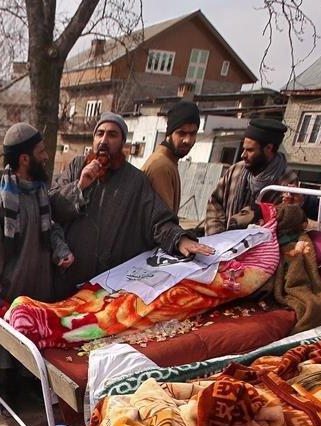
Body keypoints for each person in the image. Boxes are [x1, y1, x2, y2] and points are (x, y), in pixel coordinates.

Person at [49, 113, 211, 293]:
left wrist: (179, 239)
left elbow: (156, 219)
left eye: (112, 135)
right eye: (99, 134)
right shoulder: (76, 167)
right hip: (67, 278)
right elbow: (53, 207)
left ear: (122, 141)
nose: (104, 140)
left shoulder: (135, 180)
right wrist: (79, 186)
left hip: (108, 285)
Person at [0, 122, 73, 312]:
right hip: (13, 313)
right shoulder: (1, 204)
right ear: (25, 159)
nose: (46, 157)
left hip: (42, 305)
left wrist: (60, 249)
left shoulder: (40, 192)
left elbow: (49, 227)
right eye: (41, 151)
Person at [205, 118, 298, 234]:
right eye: (244, 148)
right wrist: (217, 238)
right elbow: (214, 204)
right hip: (224, 244)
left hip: (261, 247)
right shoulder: (236, 170)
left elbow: (284, 222)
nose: (243, 155)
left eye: (250, 150)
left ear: (268, 148)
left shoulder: (287, 181)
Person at [142, 100, 201, 214]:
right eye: (181, 133)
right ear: (169, 134)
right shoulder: (161, 166)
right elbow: (163, 224)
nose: (187, 140)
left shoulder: (169, 162)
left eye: (192, 133)